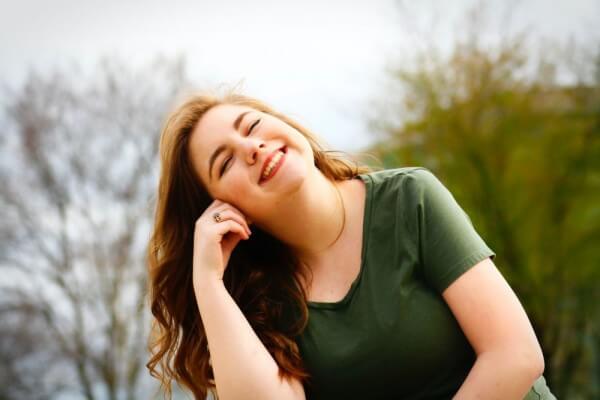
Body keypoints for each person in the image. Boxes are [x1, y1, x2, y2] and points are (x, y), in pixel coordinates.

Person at [146, 90, 556, 400]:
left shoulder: (409, 199)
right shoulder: (259, 302)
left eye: (252, 126)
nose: (252, 148)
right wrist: (208, 283)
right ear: (220, 208)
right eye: (226, 162)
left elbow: (515, 355)